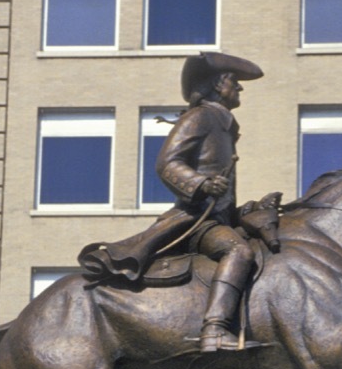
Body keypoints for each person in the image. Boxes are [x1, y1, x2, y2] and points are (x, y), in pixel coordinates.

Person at [81, 51, 265, 353]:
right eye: (234, 82)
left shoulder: (223, 124)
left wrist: (245, 210)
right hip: (196, 221)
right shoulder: (201, 117)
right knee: (239, 251)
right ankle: (215, 331)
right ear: (219, 85)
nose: (240, 88)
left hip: (216, 218)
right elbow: (167, 163)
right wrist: (201, 183)